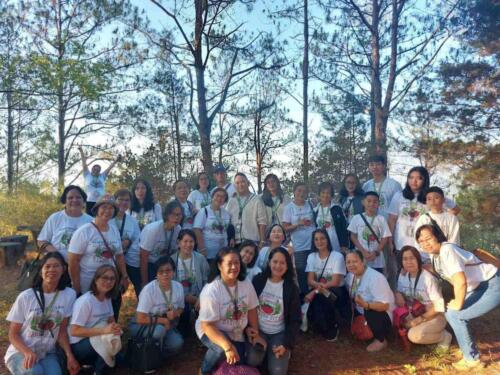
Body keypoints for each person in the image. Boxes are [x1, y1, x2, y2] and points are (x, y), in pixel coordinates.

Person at [416, 224, 499, 370]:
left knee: (456, 314)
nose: (425, 243)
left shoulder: (447, 250)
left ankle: (472, 360)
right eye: (421, 241)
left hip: (492, 284)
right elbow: (442, 271)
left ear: (438, 236)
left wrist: (459, 303)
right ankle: (470, 354)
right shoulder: (435, 255)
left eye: (428, 238)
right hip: (479, 286)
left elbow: (460, 281)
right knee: (452, 314)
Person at [5, 252, 78, 375]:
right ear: (41, 271)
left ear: (63, 269)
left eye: (56, 266)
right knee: (35, 372)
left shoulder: (69, 295)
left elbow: (62, 331)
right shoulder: (26, 296)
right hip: (20, 352)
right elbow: (13, 334)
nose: (51, 269)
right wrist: (27, 352)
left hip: (47, 353)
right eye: (47, 266)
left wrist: (69, 355)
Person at [196, 247, 265, 375]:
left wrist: (255, 333)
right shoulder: (211, 290)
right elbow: (207, 325)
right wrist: (227, 346)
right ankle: (204, 370)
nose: (234, 267)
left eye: (237, 263)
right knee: (220, 350)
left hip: (237, 330)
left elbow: (251, 309)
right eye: (229, 263)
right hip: (211, 329)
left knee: (252, 358)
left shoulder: (246, 283)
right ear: (219, 265)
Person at [247, 248, 301, 375]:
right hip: (259, 331)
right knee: (252, 361)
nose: (278, 266)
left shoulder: (291, 288)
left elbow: (295, 320)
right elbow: (249, 307)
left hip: (279, 334)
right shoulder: (258, 280)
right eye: (275, 261)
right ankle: (264, 354)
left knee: (278, 372)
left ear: (288, 266)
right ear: (269, 262)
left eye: (282, 263)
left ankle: (276, 353)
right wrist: (250, 330)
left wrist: (287, 344)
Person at [67, 194, 129, 301]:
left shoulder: (114, 230)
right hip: (88, 286)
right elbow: (73, 262)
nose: (107, 211)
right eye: (104, 207)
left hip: (110, 285)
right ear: (96, 209)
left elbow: (119, 256)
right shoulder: (84, 231)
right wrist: (76, 286)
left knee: (111, 314)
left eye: (111, 208)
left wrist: (124, 276)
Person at [394, 246, 451, 348]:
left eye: (412, 258)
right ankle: (428, 335)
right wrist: (397, 294)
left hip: (434, 315)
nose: (408, 262)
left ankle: (444, 336)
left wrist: (420, 319)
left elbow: (439, 307)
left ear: (418, 259)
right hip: (415, 312)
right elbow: (400, 293)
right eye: (405, 259)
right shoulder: (402, 276)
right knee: (400, 326)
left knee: (413, 336)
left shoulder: (427, 278)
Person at [69, 265, 122, 375]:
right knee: (105, 341)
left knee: (121, 357)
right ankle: (98, 371)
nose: (108, 281)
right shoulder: (86, 301)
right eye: (105, 278)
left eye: (112, 279)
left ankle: (96, 366)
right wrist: (103, 331)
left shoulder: (107, 298)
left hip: (97, 338)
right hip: (79, 345)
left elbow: (111, 321)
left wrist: (115, 327)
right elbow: (74, 331)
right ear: (96, 279)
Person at [129, 257, 184, 359]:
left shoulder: (178, 287)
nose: (165, 274)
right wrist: (164, 321)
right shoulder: (149, 290)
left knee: (177, 344)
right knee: (159, 331)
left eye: (168, 270)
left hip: (164, 325)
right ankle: (148, 354)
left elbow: (181, 308)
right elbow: (140, 319)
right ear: (156, 274)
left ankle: (157, 354)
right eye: (161, 271)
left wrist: (176, 313)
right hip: (141, 324)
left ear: (173, 272)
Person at [304, 229, 350, 341]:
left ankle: (331, 326)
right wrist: (317, 290)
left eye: (322, 238)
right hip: (320, 290)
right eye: (316, 239)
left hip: (336, 291)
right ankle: (320, 325)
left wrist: (316, 290)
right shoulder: (311, 257)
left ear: (328, 240)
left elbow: (335, 282)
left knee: (323, 296)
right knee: (308, 297)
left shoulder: (337, 256)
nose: (319, 241)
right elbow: (310, 280)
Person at [345, 250, 395, 352]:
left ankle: (381, 339)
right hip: (362, 311)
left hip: (382, 314)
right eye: (348, 262)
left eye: (355, 261)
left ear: (363, 261)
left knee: (370, 310)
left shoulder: (375, 277)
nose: (351, 265)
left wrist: (366, 305)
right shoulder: (350, 277)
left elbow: (384, 306)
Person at [170, 230, 210, 335]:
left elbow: (206, 281)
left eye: (191, 241)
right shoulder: (172, 260)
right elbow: (170, 286)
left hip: (198, 297)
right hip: (179, 299)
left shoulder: (200, 259)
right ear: (179, 242)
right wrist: (185, 297)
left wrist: (201, 298)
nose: (188, 245)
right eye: (185, 241)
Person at [38, 185, 93, 261]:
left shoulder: (91, 221)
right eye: (70, 198)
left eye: (78, 197)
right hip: (57, 266)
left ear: (83, 201)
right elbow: (41, 241)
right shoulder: (55, 218)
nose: (74, 200)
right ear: (65, 201)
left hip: (82, 267)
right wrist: (56, 254)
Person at [388, 166, 430, 263]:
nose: (414, 181)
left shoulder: (429, 197)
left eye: (419, 178)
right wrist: (390, 242)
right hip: (401, 244)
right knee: (403, 275)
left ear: (425, 180)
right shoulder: (399, 195)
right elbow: (391, 220)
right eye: (411, 177)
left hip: (422, 247)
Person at [139, 201, 183, 287]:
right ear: (166, 215)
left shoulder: (178, 229)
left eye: (179, 214)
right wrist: (144, 282)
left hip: (164, 264)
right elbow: (143, 256)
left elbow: (174, 251)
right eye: (173, 214)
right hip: (149, 264)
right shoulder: (153, 230)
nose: (177, 217)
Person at [283, 182, 315, 294]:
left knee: (313, 272)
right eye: (299, 190)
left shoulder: (310, 204)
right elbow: (285, 228)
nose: (302, 193)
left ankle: (315, 298)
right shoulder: (289, 208)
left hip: (313, 244)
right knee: (301, 273)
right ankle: (304, 298)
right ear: (294, 191)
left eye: (304, 191)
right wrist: (299, 224)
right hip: (299, 247)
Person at [348, 192, 392, 274]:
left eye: (375, 201)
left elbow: (385, 237)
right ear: (363, 202)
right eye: (369, 201)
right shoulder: (356, 218)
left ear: (378, 203)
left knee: (376, 282)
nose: (372, 204)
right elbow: (353, 236)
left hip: (377, 259)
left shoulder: (381, 219)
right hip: (361, 257)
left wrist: (376, 252)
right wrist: (363, 252)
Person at [112, 189, 141, 297]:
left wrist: (129, 242)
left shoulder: (132, 221)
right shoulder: (108, 218)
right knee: (114, 293)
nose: (123, 203)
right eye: (120, 199)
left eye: (127, 200)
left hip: (128, 259)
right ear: (114, 200)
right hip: (111, 261)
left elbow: (137, 239)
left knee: (137, 286)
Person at [193, 187, 233, 263]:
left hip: (222, 253)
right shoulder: (204, 211)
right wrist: (202, 249)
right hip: (207, 254)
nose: (219, 198)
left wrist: (232, 238)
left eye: (223, 196)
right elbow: (197, 230)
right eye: (217, 195)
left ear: (225, 200)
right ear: (212, 196)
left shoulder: (226, 213)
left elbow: (228, 228)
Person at [226, 173, 267, 246]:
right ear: (234, 186)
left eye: (242, 182)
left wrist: (262, 242)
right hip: (235, 242)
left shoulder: (257, 200)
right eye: (237, 183)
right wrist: (230, 237)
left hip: (252, 242)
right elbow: (227, 221)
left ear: (248, 183)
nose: (240, 185)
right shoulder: (232, 201)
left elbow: (262, 222)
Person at [78, 146, 121, 215]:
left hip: (101, 201)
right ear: (92, 169)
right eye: (94, 169)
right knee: (89, 219)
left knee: (100, 217)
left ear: (100, 171)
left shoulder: (102, 176)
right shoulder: (87, 175)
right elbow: (84, 162)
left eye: (98, 169)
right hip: (89, 201)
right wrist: (81, 151)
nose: (96, 170)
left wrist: (116, 160)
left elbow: (110, 167)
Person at [362, 155, 402, 220]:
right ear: (368, 167)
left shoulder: (394, 185)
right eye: (372, 165)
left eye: (378, 164)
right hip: (370, 224)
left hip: (388, 225)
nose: (375, 167)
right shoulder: (366, 186)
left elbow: (399, 207)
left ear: (384, 166)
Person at [313, 182, 349, 254]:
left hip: (336, 245)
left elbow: (344, 227)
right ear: (319, 194)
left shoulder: (337, 208)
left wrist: (344, 244)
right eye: (323, 192)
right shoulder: (315, 210)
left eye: (328, 193)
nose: (325, 195)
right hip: (321, 245)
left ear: (331, 195)